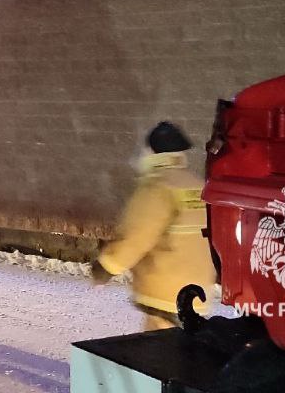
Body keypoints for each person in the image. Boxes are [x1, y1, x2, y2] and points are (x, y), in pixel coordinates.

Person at [91, 121, 216, 330]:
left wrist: (106, 266)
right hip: (198, 290)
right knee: (184, 349)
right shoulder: (198, 185)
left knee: (159, 353)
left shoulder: (157, 187)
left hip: (165, 291)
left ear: (152, 152)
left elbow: (136, 236)